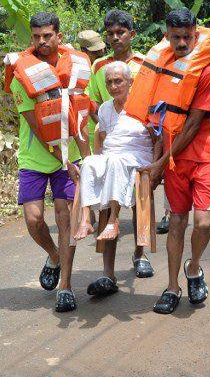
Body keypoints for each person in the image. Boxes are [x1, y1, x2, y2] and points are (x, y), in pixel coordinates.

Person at [126, 8, 210, 315]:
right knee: (177, 222)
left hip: (205, 155)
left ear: (196, 34)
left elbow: (193, 124)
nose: (182, 43)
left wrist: (159, 163)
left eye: (187, 37)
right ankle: (172, 287)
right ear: (167, 36)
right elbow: (158, 121)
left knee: (203, 221)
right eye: (176, 37)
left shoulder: (208, 72)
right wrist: (156, 160)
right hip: (174, 162)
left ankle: (193, 267)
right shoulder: (164, 69)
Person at [4, 12, 91, 313]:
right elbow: (39, 129)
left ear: (59, 36)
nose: (42, 41)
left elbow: (81, 116)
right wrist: (63, 159)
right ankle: (54, 255)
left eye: (47, 36)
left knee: (65, 218)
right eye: (36, 36)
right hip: (37, 158)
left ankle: (65, 286)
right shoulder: (21, 76)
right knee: (34, 219)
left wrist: (86, 158)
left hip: (71, 159)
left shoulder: (77, 68)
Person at [86, 10, 163, 273]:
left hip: (141, 140)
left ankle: (140, 256)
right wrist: (112, 131)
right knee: (108, 200)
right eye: (111, 33)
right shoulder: (98, 66)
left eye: (121, 32)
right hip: (111, 139)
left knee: (142, 200)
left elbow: (154, 105)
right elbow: (95, 104)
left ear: (132, 34)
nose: (116, 37)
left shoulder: (145, 65)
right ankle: (107, 271)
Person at [74, 62, 160, 296]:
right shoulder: (104, 108)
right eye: (109, 81)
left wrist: (156, 168)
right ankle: (86, 221)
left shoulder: (145, 105)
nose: (113, 86)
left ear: (130, 82)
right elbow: (100, 138)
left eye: (118, 81)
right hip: (113, 156)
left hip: (137, 155)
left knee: (114, 162)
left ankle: (120, 230)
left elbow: (158, 138)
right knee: (90, 163)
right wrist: (95, 157)